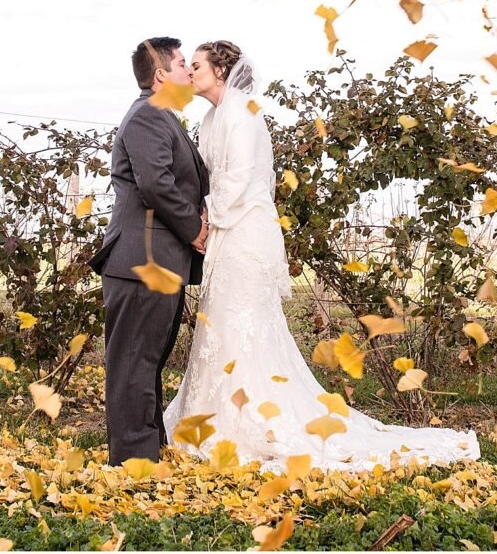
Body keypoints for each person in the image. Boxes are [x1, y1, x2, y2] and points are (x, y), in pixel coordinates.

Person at [163, 40, 480, 473]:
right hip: (223, 231)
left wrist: (207, 220)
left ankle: (255, 423)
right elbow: (208, 178)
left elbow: (239, 179)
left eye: (196, 65)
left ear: (220, 71)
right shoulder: (209, 119)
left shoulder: (242, 114)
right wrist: (202, 220)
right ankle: (213, 418)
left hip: (244, 232)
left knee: (244, 324)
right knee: (220, 323)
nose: (190, 72)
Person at [90, 37, 209, 466]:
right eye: (181, 63)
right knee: (133, 363)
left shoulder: (162, 116)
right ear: (161, 75)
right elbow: (156, 183)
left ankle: (148, 448)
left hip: (158, 260)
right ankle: (132, 462)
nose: (188, 70)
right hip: (142, 260)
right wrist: (195, 229)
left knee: (147, 360)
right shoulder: (147, 116)